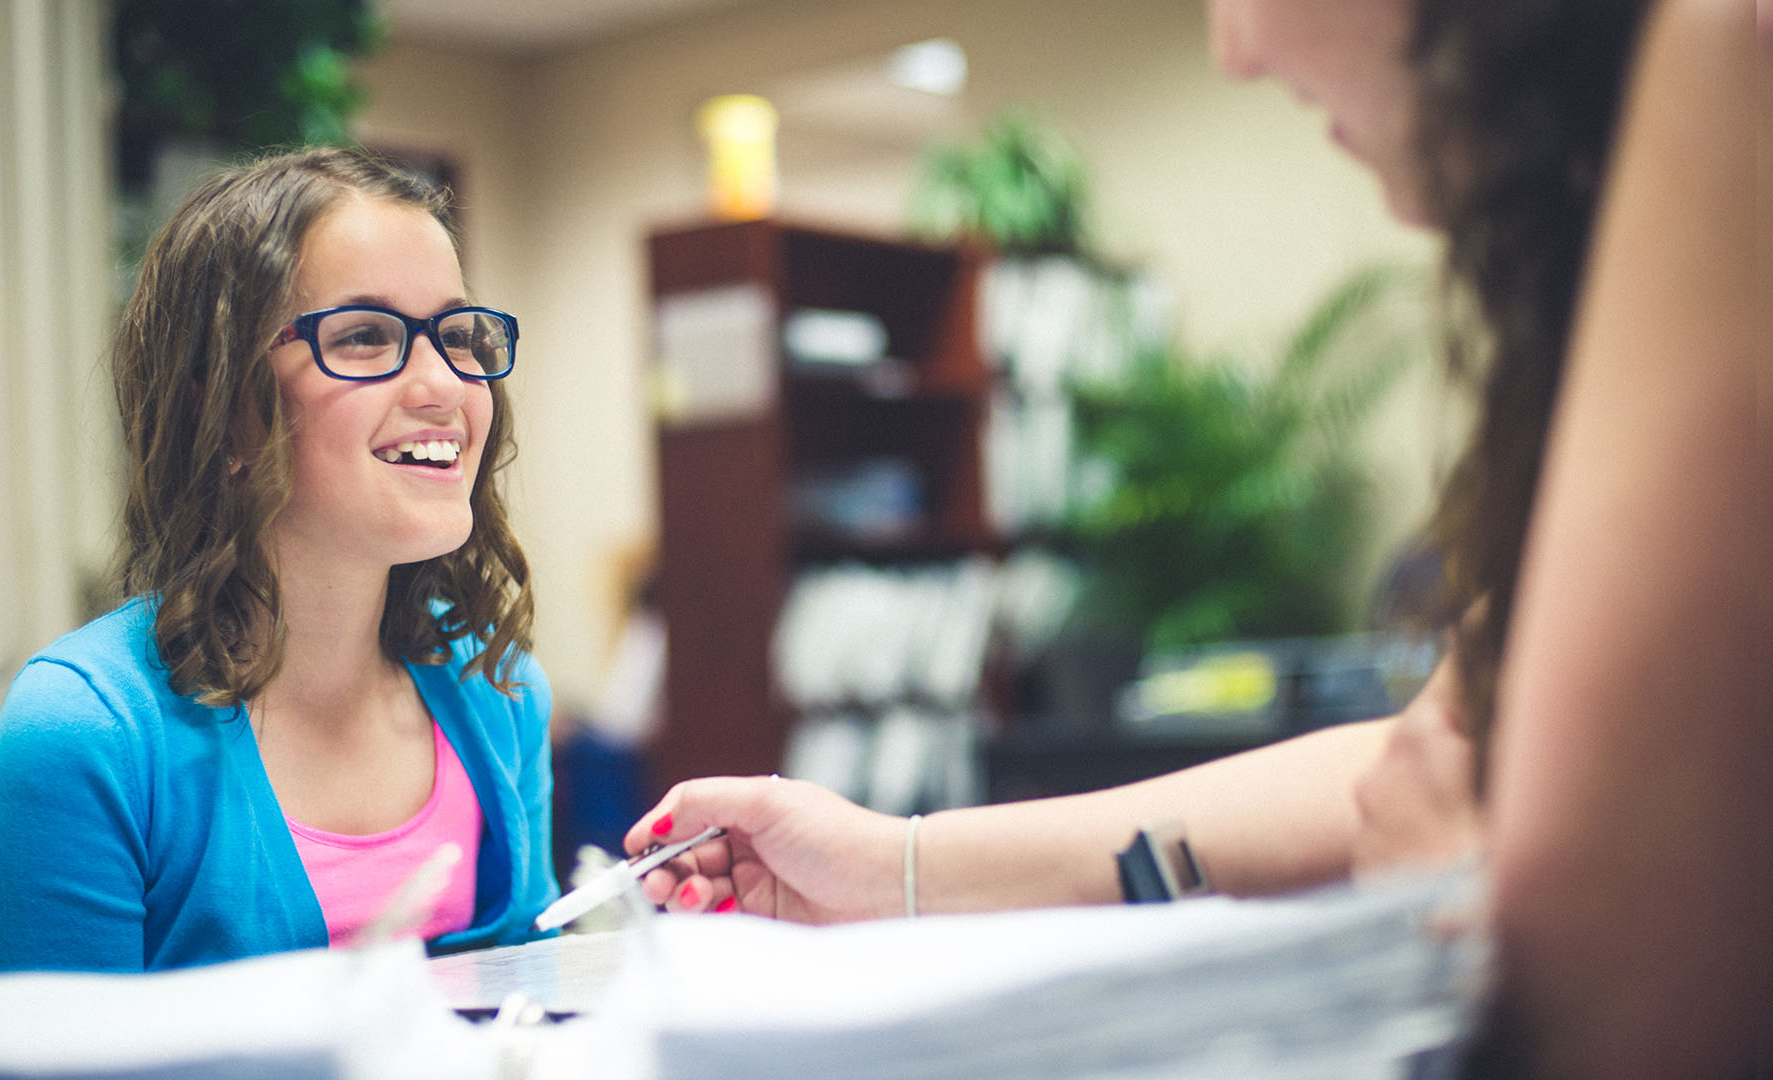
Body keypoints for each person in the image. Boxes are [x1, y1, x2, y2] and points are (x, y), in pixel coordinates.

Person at [626, 0, 1767, 1075]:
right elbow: (1423, 756)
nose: (1235, 46)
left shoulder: (1733, 53)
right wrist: (895, 865)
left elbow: (1616, 970)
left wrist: (1456, 928)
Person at [0, 147, 559, 972]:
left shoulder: (500, 693)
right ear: (226, 409)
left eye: (458, 336)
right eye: (363, 337)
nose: (445, 386)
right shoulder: (85, 737)